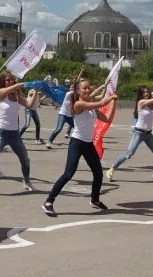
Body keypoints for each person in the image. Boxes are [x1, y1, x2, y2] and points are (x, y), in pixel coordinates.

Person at [42, 79, 117, 216]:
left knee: (98, 174)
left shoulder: (90, 107)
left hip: (88, 144)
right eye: (84, 88)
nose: (88, 90)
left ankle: (95, 200)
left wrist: (113, 103)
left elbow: (107, 118)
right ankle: (48, 202)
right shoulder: (78, 104)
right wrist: (110, 97)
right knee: (68, 174)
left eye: (89, 88)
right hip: (77, 143)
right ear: (77, 91)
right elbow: (101, 102)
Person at [106, 86, 153, 182]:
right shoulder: (141, 102)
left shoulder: (152, 105)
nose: (146, 94)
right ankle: (112, 169)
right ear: (141, 95)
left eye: (147, 92)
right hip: (138, 133)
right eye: (144, 93)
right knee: (129, 153)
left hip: (148, 134)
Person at [45, 66, 85, 148]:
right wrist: (80, 73)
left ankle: (80, 142)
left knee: (77, 128)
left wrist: (81, 71)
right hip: (63, 114)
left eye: (73, 88)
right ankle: (49, 141)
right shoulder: (67, 94)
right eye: (71, 87)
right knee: (58, 129)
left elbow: (77, 83)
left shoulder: (76, 96)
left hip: (70, 116)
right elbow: (77, 82)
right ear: (69, 89)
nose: (72, 89)